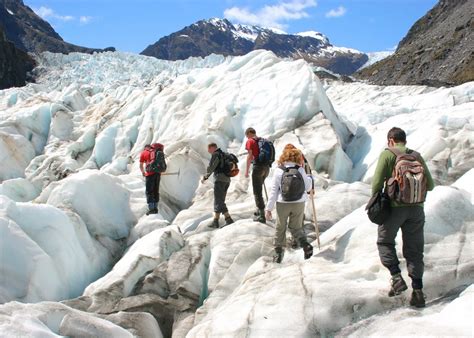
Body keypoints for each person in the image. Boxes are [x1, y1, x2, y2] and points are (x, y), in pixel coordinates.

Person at [372, 127, 434, 308]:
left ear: (391, 140)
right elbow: (430, 184)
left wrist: (376, 201)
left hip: (394, 209)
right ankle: (418, 291)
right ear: (404, 141)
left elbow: (376, 183)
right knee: (415, 250)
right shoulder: (416, 156)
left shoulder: (388, 154)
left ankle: (396, 277)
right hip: (417, 210)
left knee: (385, 242)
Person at [265, 147, 314, 263]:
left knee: (280, 227)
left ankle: (278, 253)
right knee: (296, 227)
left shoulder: (279, 170)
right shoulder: (300, 170)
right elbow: (308, 188)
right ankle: (305, 245)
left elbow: (274, 191)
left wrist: (268, 209)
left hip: (283, 203)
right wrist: (309, 178)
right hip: (299, 203)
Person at [201, 143, 234, 228]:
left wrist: (205, 176)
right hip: (227, 180)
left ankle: (228, 218)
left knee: (219, 200)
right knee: (219, 200)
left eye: (209, 150)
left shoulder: (216, 154)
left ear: (212, 148)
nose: (209, 152)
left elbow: (212, 167)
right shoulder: (224, 154)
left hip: (220, 179)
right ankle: (215, 221)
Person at [245, 127, 270, 223]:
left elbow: (250, 156)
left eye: (247, 136)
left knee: (257, 191)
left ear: (248, 134)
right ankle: (259, 209)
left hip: (258, 168)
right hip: (266, 168)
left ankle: (262, 216)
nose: (247, 138)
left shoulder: (250, 141)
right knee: (259, 189)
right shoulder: (263, 141)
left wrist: (247, 171)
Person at [140, 144, 164, 215]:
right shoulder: (155, 152)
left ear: (145, 148)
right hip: (157, 173)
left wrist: (143, 172)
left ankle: (151, 209)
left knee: (149, 191)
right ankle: (155, 208)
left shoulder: (144, 153)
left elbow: (141, 165)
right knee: (156, 190)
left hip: (149, 174)